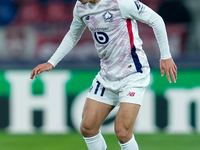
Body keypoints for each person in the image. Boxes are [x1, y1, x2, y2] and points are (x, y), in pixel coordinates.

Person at [30, 0, 177, 149]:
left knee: (122, 132)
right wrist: (52, 62)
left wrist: (165, 56)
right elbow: (73, 34)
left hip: (133, 73)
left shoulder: (121, 3)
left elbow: (156, 20)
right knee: (87, 127)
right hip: (107, 74)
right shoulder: (81, 7)